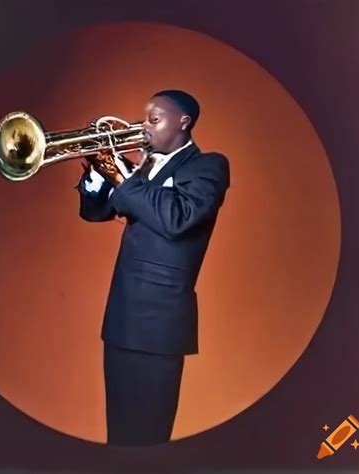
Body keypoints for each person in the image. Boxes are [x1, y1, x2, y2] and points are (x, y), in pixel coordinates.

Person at [75, 89, 230, 446]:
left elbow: (178, 218)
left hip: (160, 325)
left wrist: (122, 176)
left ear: (183, 122)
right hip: (121, 321)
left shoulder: (208, 166)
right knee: (119, 436)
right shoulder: (143, 167)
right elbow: (96, 212)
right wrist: (99, 174)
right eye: (145, 118)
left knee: (148, 438)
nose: (142, 127)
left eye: (153, 119)